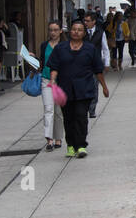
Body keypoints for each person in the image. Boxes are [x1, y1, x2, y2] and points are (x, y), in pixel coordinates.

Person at [46, 19, 109, 158]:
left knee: (81, 117)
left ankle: (81, 145)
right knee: (68, 118)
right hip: (65, 89)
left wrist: (104, 87)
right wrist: (52, 81)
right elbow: (54, 67)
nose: (76, 32)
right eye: (74, 29)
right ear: (70, 31)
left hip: (84, 89)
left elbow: (98, 70)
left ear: (84, 33)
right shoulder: (61, 48)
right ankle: (70, 145)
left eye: (80, 30)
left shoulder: (90, 49)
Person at [38, 20, 65, 151]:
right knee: (48, 109)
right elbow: (41, 62)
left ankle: (58, 138)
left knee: (59, 112)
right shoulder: (44, 45)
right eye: (50, 30)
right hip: (46, 80)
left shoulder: (65, 45)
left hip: (61, 81)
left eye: (55, 30)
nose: (53, 33)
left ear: (60, 31)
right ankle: (49, 139)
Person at [82, 11, 108, 118]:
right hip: (82, 64)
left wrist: (106, 63)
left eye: (88, 21)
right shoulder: (81, 32)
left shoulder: (100, 33)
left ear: (94, 21)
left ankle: (92, 109)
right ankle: (84, 107)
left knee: (94, 87)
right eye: (85, 21)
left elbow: (105, 49)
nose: (85, 23)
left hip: (95, 64)